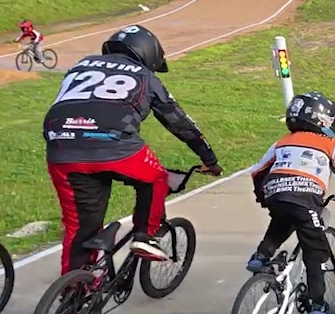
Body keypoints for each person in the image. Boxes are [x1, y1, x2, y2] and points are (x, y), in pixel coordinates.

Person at [43, 24, 222, 275]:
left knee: (80, 228)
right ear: (147, 53)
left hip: (62, 146)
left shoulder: (80, 66)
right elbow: (179, 122)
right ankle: (144, 235)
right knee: (156, 178)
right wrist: (209, 158)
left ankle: (73, 298)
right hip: (115, 145)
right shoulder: (146, 76)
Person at [247, 92, 335, 314]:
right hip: (306, 196)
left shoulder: (282, 141)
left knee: (283, 219)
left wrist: (262, 195)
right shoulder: (332, 144)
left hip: (275, 191)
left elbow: (258, 171)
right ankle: (317, 305)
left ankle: (261, 256)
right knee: (315, 249)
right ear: (322, 120)